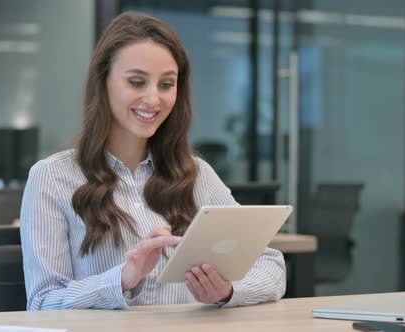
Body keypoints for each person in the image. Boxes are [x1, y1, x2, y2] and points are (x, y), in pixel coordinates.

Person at [20, 11, 286, 310]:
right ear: (103, 82)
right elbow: (43, 303)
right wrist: (124, 277)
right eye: (136, 81)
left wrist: (227, 291)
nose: (153, 99)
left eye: (166, 84)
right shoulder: (52, 177)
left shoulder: (196, 174)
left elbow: (271, 265)